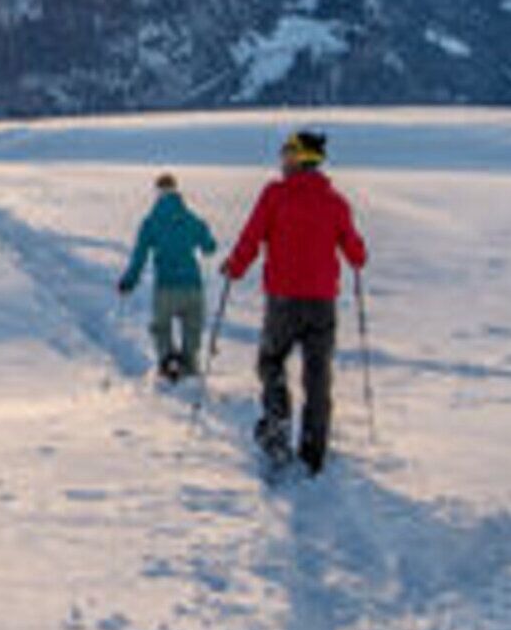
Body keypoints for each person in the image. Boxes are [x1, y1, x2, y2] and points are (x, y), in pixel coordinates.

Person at [219, 128, 367, 474]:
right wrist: (358, 257)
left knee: (271, 362)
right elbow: (355, 252)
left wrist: (234, 267)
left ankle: (277, 422)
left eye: (287, 153)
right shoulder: (336, 203)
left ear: (301, 158)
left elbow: (251, 237)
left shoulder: (275, 195)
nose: (282, 160)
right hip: (321, 304)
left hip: (283, 300)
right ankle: (313, 452)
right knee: (318, 376)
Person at [114, 171, 219, 379]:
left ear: (157, 193)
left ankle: (167, 361)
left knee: (161, 328)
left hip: (166, 287)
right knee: (192, 330)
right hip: (192, 287)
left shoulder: (150, 222)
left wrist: (129, 281)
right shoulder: (191, 219)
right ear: (176, 190)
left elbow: (139, 257)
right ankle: (189, 368)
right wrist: (204, 233)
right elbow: (210, 248)